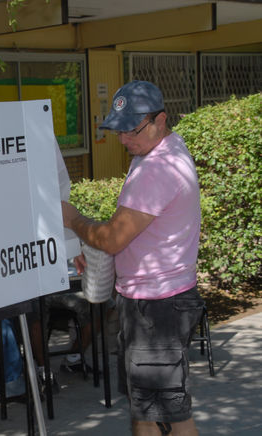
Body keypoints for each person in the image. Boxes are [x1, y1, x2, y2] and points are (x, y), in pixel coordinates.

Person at [61, 80, 204, 436]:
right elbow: (136, 234)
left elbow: (113, 238)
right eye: (119, 130)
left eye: (132, 130)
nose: (124, 140)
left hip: (156, 308)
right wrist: (96, 252)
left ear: (160, 119)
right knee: (153, 410)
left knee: (161, 413)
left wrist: (74, 220)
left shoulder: (157, 169)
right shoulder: (168, 147)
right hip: (162, 300)